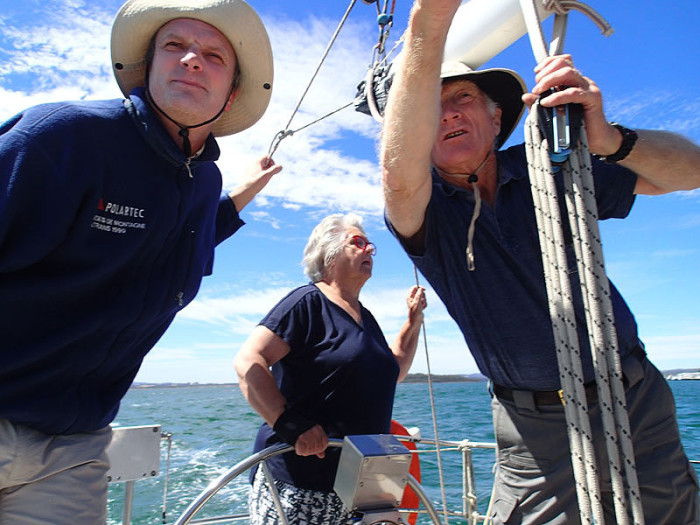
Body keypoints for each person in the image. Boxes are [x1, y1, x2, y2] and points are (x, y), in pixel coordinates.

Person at [380, 0, 700, 523]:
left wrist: (611, 141)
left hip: (636, 405)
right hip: (534, 435)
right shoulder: (426, 213)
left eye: (462, 98)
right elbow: (398, 176)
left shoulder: (555, 165)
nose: (449, 114)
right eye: (432, 108)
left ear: (496, 115)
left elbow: (690, 171)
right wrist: (429, 20)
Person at [0, 0, 280, 522]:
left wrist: (249, 189)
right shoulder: (63, 137)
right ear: (145, 70)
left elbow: (180, 244)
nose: (193, 59)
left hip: (74, 446)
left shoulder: (204, 185)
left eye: (214, 56)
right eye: (175, 46)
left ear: (233, 92)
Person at [234, 213, 427, 525]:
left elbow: (394, 370)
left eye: (370, 246)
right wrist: (289, 424)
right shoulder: (306, 303)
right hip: (301, 485)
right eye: (358, 242)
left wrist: (412, 323)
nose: (369, 251)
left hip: (362, 488)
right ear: (329, 252)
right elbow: (247, 362)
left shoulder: (366, 317)